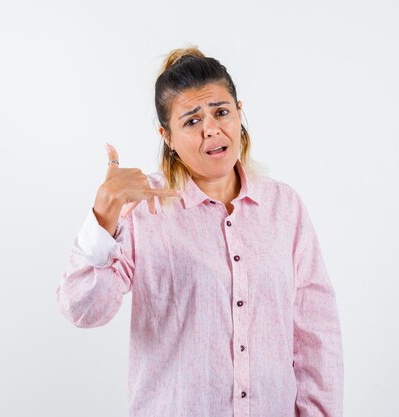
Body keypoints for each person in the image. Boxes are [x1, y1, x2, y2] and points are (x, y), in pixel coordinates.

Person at [56, 46, 344, 417]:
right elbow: (83, 310)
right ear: (168, 137)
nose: (211, 128)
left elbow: (316, 334)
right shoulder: (144, 208)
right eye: (191, 121)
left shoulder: (284, 208)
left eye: (221, 112)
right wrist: (104, 213)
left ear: (240, 114)